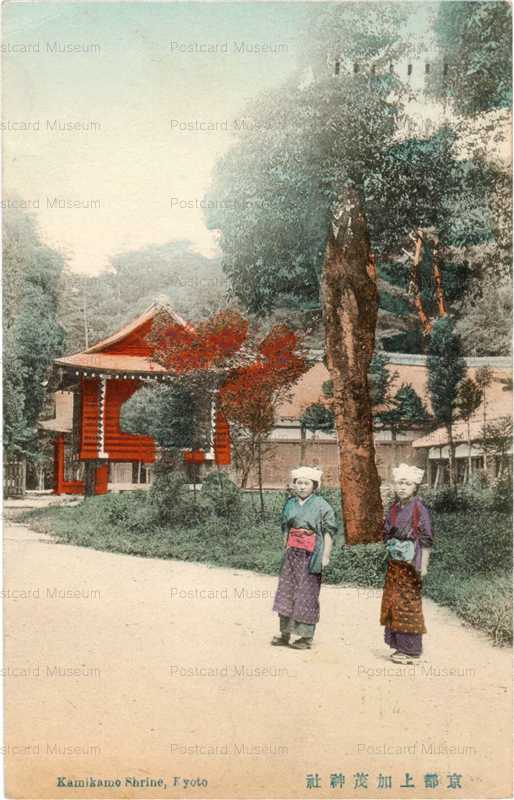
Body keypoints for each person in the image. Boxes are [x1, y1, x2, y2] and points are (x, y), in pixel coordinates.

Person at [271, 466, 338, 650]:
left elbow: (328, 533)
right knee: (287, 591)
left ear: (314, 486)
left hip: (311, 554)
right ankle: (285, 633)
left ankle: (306, 637)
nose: (301, 487)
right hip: (292, 553)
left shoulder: (322, 505)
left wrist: (326, 555)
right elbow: (286, 528)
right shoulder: (290, 504)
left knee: (306, 593)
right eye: (298, 483)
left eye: (306, 483)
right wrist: (284, 549)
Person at [380, 463, 433, 665]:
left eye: (407, 484)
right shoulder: (394, 508)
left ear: (415, 487)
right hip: (395, 561)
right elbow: (386, 531)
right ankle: (399, 645)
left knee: (408, 603)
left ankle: (411, 650)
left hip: (412, 560)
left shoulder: (419, 508)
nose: (402, 487)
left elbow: (427, 538)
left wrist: (423, 565)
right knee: (394, 601)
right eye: (399, 483)